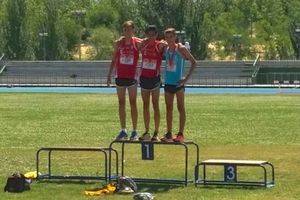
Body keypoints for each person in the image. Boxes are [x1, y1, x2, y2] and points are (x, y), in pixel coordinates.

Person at [107, 21, 141, 140]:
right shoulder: (119, 44)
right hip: (120, 76)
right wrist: (109, 75)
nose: (127, 32)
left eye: (130, 29)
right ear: (123, 31)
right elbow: (113, 59)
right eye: (125, 29)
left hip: (132, 77)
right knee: (121, 103)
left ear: (133, 30)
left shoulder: (137, 42)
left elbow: (149, 43)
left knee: (133, 103)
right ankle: (123, 130)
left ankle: (135, 131)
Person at [161, 28, 196, 142]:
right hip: (168, 83)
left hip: (178, 84)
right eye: (167, 37)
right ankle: (169, 134)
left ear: (175, 37)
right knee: (168, 109)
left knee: (180, 108)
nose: (169, 39)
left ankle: (180, 134)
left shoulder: (180, 48)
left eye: (171, 37)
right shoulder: (165, 48)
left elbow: (194, 62)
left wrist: (185, 79)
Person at [138, 25, 166, 141]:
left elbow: (166, 44)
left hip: (155, 79)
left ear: (156, 35)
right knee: (145, 106)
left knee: (155, 105)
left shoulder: (159, 45)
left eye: (153, 34)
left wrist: (163, 42)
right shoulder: (143, 45)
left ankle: (156, 132)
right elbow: (134, 41)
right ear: (146, 35)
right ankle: (147, 131)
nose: (151, 37)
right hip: (144, 78)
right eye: (149, 34)